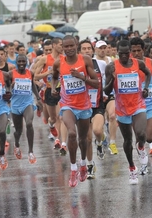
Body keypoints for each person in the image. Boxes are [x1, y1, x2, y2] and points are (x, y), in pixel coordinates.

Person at [51, 35, 99, 187]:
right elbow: (54, 77)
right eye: (66, 47)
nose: (69, 49)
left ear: (76, 45)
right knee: (72, 133)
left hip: (84, 105)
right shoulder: (59, 63)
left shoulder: (85, 60)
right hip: (67, 105)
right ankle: (73, 170)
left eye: (72, 46)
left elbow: (96, 83)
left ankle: (83, 164)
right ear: (63, 48)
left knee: (83, 139)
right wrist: (53, 88)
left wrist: (81, 77)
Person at [104, 39, 151, 185]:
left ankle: (141, 147)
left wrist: (146, 88)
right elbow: (106, 90)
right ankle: (132, 168)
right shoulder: (111, 67)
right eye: (121, 53)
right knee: (127, 140)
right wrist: (112, 79)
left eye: (126, 53)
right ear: (117, 52)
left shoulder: (138, 63)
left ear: (129, 52)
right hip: (122, 108)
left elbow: (148, 74)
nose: (124, 56)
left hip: (138, 105)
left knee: (141, 133)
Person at [130, 37, 152, 162]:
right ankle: (142, 160)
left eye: (138, 50)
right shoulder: (127, 65)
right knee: (139, 136)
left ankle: (147, 150)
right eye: (133, 51)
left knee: (149, 137)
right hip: (134, 106)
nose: (136, 53)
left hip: (149, 104)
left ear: (143, 50)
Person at [78, 39, 107, 179]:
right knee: (87, 139)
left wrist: (107, 94)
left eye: (89, 48)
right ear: (79, 51)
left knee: (96, 131)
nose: (87, 51)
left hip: (97, 105)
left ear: (93, 50)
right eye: (83, 49)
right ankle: (90, 165)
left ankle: (100, 142)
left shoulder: (100, 64)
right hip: (82, 106)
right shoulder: (76, 66)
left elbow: (107, 80)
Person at [9, 54, 43, 164]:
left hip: (27, 103)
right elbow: (6, 88)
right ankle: (17, 144)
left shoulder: (30, 73)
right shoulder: (11, 74)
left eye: (23, 61)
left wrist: (38, 97)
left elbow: (32, 84)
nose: (22, 64)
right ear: (16, 63)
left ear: (27, 62)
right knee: (18, 131)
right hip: (15, 105)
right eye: (19, 62)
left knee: (29, 124)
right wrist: (11, 87)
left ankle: (30, 152)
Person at [33, 38, 63, 150]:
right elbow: (35, 76)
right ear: (55, 45)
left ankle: (58, 140)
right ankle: (51, 126)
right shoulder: (44, 59)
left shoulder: (63, 58)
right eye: (60, 45)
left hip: (61, 90)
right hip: (49, 90)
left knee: (60, 116)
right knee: (53, 118)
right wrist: (48, 72)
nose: (62, 47)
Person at [94, 40, 118, 155]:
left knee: (112, 115)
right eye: (100, 48)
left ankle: (112, 143)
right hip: (97, 96)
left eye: (104, 47)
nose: (102, 50)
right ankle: (102, 137)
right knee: (100, 123)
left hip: (110, 93)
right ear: (96, 49)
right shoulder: (92, 62)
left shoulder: (111, 61)